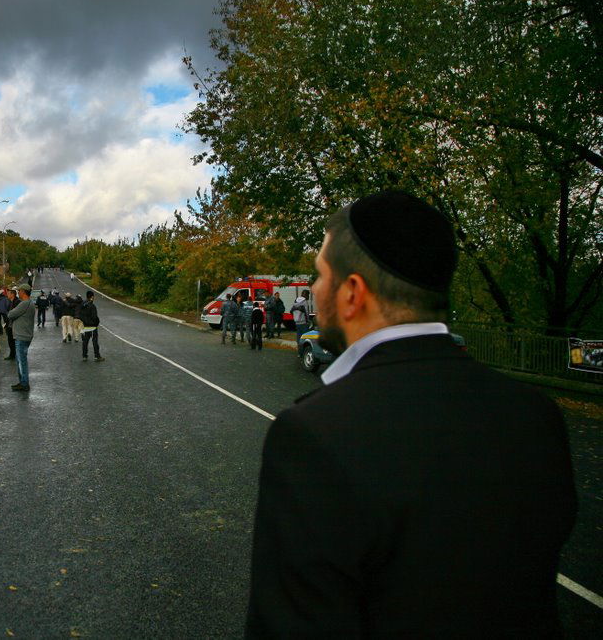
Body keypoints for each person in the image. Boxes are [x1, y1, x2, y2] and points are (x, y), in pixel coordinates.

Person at [246, 190, 576, 637]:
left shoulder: (314, 433)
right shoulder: (536, 414)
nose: (315, 288)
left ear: (352, 293)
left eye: (320, 274)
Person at [7, 283, 35, 391]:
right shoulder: (29, 303)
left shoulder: (24, 304)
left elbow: (10, 314)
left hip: (22, 336)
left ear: (23, 291)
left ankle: (24, 383)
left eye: (19, 291)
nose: (18, 292)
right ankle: (22, 382)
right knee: (21, 360)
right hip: (24, 335)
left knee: (21, 360)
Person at [78, 290, 104, 361]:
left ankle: (84, 356)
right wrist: (96, 322)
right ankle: (97, 356)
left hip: (84, 326)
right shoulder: (92, 306)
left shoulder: (82, 305)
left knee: (85, 342)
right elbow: (94, 317)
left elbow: (79, 314)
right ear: (92, 297)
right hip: (92, 327)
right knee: (95, 342)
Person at [3, 286, 19, 360]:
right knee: (10, 341)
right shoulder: (11, 302)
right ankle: (12, 354)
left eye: (8, 293)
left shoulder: (16, 302)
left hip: (14, 325)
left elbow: (14, 314)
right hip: (10, 325)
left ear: (13, 294)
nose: (7, 295)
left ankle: (14, 355)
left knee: (13, 341)